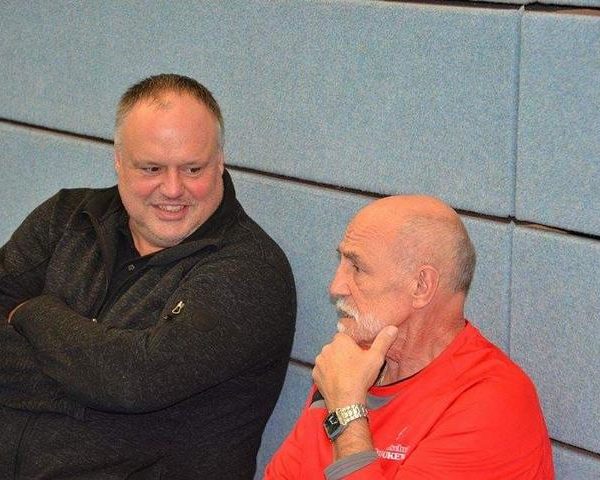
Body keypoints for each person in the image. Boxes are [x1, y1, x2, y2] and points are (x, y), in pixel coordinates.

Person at [0, 73, 296, 479]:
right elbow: (121, 387)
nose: (172, 189)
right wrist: (91, 383)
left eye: (193, 169)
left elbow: (135, 381)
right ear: (118, 161)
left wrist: (34, 313)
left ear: (220, 162)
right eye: (151, 168)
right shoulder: (67, 217)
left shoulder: (250, 272)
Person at [265, 195, 553, 479]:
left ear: (421, 286)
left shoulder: (492, 403)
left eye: (357, 268)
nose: (336, 287)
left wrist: (346, 412)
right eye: (341, 264)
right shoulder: (349, 367)